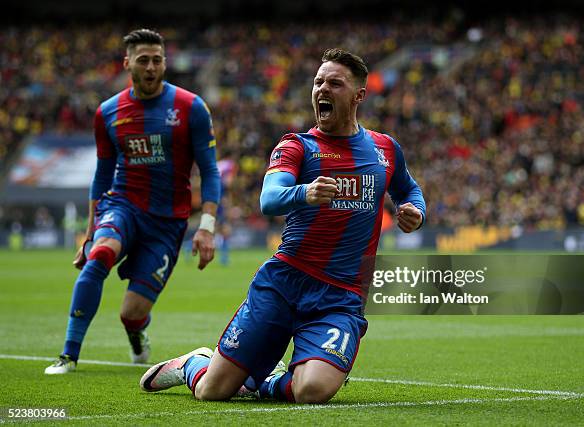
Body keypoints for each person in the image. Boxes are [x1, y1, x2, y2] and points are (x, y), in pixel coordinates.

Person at [140, 48, 425, 403]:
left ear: (359, 95)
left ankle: (268, 380)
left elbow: (407, 187)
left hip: (341, 296)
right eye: (318, 82)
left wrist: (415, 208)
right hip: (284, 284)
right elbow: (269, 198)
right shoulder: (297, 146)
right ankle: (194, 363)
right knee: (212, 391)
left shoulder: (385, 149)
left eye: (335, 83)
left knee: (312, 391)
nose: (322, 89)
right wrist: (305, 192)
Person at [45, 29, 221, 374]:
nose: (152, 67)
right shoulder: (108, 112)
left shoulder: (191, 107)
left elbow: (210, 171)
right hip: (123, 205)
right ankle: (68, 354)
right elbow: (101, 176)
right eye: (144, 60)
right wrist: (90, 232)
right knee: (100, 254)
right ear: (128, 63)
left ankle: (137, 332)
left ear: (165, 63)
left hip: (168, 223)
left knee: (132, 312)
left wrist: (207, 227)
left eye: (158, 60)